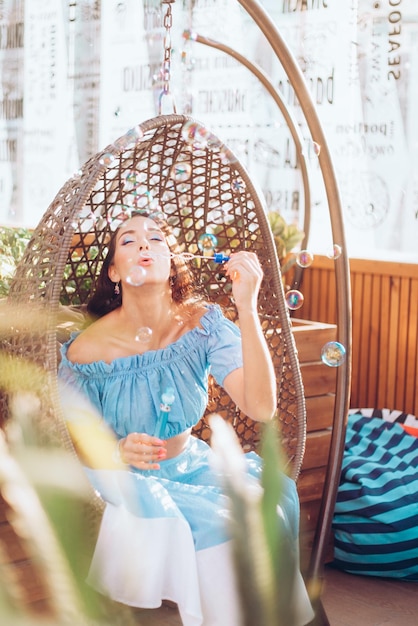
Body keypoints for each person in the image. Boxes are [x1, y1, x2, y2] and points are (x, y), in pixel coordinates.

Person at [58, 211, 314, 626]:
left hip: (192, 466)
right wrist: (116, 448)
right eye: (129, 240)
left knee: (271, 500)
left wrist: (246, 308)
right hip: (124, 477)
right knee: (226, 527)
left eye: (156, 238)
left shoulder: (201, 326)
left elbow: (260, 407)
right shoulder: (87, 351)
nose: (144, 244)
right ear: (114, 273)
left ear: (173, 261)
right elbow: (67, 437)